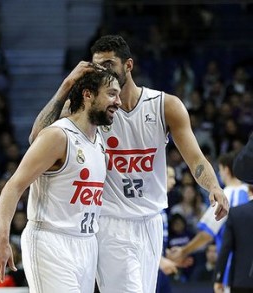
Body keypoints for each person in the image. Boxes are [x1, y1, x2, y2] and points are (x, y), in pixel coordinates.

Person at [29, 34, 229, 293]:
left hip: (152, 221)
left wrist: (213, 186)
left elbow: (195, 158)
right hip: (111, 221)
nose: (102, 70)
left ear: (128, 66)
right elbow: (37, 138)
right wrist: (67, 85)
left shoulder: (165, 106)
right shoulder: (92, 109)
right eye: (97, 65)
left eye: (109, 64)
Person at [0, 69, 122, 292]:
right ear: (88, 95)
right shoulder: (58, 135)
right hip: (51, 242)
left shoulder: (99, 140)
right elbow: (14, 186)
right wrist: (1, 238)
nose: (118, 101)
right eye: (111, 94)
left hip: (86, 243)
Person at [167, 151, 249, 289]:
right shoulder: (249, 192)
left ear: (226, 170)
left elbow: (206, 234)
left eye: (220, 170)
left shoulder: (226, 195)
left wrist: (183, 251)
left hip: (232, 269)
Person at [214, 200, 253, 293]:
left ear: (249, 189)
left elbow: (225, 248)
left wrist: (218, 278)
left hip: (242, 280)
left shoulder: (236, 212)